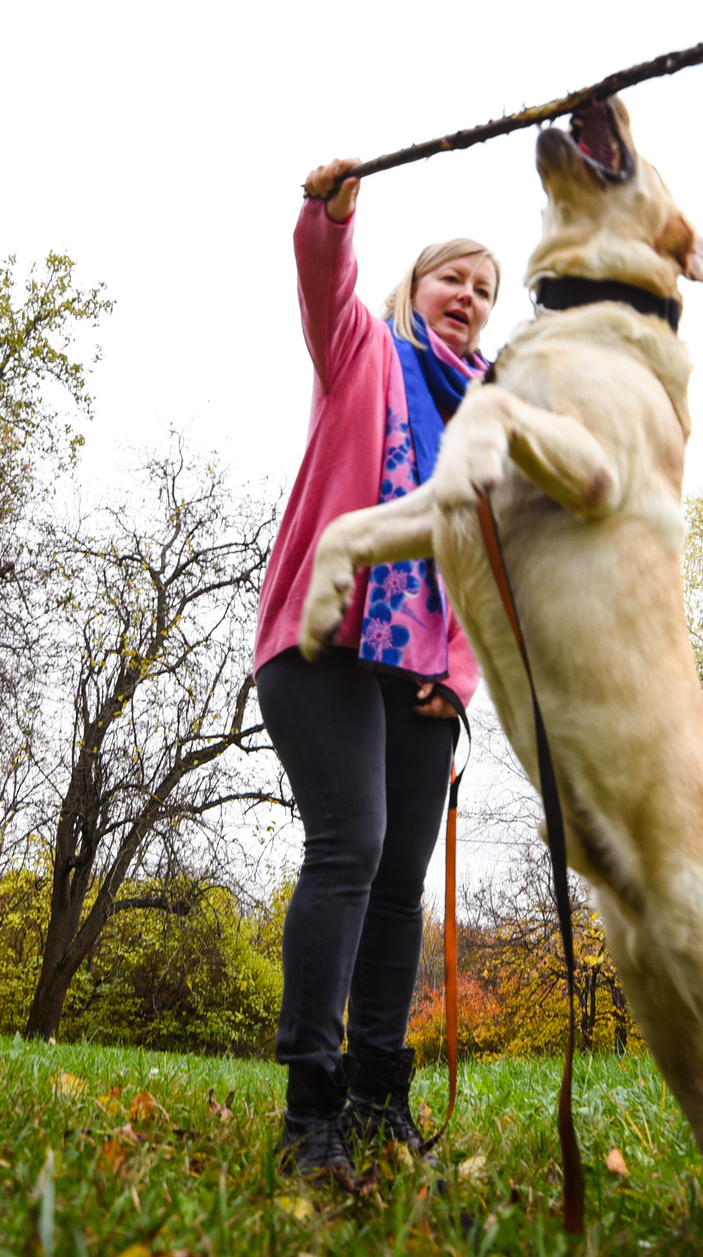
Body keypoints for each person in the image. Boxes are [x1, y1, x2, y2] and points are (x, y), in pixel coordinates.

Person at [253, 155, 499, 1190]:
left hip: (423, 673)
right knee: (349, 848)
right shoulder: (359, 351)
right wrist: (330, 212)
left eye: (487, 292)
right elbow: (322, 274)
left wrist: (463, 677)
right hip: (324, 645)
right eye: (456, 278)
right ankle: (309, 1109)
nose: (470, 300)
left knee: (400, 887)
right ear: (415, 285)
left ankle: (375, 1097)